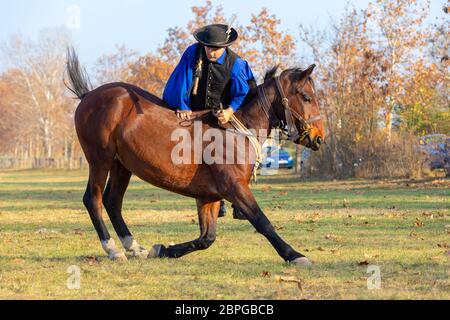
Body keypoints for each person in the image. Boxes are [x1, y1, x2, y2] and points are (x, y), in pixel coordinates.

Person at [163, 24, 256, 218]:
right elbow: (182, 79)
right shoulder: (193, 53)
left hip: (222, 115)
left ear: (225, 47)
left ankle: (239, 204)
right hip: (194, 113)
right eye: (208, 47)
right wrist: (182, 104)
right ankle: (215, 198)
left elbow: (243, 92)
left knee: (239, 155)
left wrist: (230, 110)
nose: (211, 52)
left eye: (215, 49)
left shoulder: (237, 64)